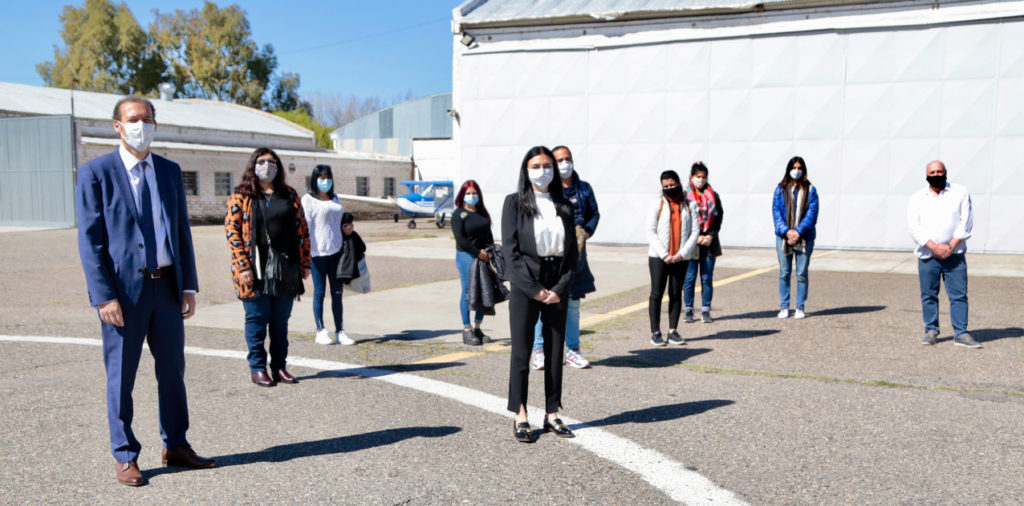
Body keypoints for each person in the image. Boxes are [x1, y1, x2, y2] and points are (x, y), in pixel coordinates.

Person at [76, 96, 215, 487]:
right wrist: (103, 296)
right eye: (134, 119)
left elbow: (181, 231)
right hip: (124, 294)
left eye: (148, 119)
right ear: (118, 127)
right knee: (122, 377)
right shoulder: (96, 173)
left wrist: (188, 285)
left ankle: (176, 445)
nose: (142, 125)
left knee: (173, 372)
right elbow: (91, 242)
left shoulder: (169, 172)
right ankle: (125, 455)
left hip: (167, 289)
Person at [503, 146, 579, 443]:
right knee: (522, 350)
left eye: (548, 165)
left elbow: (573, 254)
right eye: (536, 165)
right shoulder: (514, 203)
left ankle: (552, 412)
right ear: (526, 169)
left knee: (555, 350)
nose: (543, 170)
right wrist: (534, 289)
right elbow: (511, 253)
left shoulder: (565, 204)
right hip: (526, 283)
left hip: (557, 282)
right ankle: (520, 413)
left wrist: (559, 289)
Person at [225, 147, 311, 387]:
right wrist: (243, 265)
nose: (267, 166)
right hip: (254, 268)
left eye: (272, 162)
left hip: (286, 268)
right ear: (253, 166)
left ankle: (279, 367)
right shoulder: (242, 195)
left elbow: (302, 229)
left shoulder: (290, 194)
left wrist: (305, 262)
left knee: (281, 322)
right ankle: (258, 367)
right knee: (257, 318)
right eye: (262, 162)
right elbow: (232, 233)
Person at [530, 145, 599, 370]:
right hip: (552, 256)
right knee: (544, 302)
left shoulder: (584, 188)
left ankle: (573, 350)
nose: (564, 164)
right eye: (558, 160)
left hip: (577, 254)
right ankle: (539, 350)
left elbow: (594, 213)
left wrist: (586, 231)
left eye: (567, 159)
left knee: (572, 304)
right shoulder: (550, 191)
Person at [907, 161, 980, 348]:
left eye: (940, 171)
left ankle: (961, 333)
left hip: (954, 256)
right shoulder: (917, 197)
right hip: (928, 255)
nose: (936, 174)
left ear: (946, 172)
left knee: (959, 295)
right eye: (932, 172)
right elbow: (914, 226)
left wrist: (950, 246)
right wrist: (933, 246)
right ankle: (931, 330)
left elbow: (966, 222)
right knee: (929, 295)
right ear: (926, 175)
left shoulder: (960, 192)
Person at [302, 165, 354, 346]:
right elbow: (305, 228)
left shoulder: (335, 198)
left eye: (328, 177)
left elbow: (338, 221)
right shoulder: (308, 200)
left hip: (336, 252)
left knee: (337, 293)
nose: (325, 181)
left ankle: (340, 331)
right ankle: (320, 330)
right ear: (315, 179)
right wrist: (305, 256)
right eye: (321, 177)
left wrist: (348, 227)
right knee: (319, 292)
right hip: (318, 253)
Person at [646, 170, 700, 346]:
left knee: (676, 293)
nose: (670, 188)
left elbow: (695, 232)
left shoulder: (690, 205)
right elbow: (650, 231)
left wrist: (682, 254)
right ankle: (655, 332)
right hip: (659, 258)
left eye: (672, 185)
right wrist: (665, 254)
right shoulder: (657, 204)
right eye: (666, 186)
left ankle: (673, 331)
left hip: (680, 258)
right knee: (656, 293)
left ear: (679, 183)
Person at [772, 156, 819, 319]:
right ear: (789, 169)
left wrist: (798, 231)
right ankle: (784, 306)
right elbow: (776, 212)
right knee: (784, 272)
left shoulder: (811, 190)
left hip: (804, 237)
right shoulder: (780, 189)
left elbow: (812, 214)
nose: (797, 171)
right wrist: (787, 231)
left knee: (801, 273)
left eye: (800, 168)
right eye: (794, 168)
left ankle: (800, 306)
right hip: (784, 237)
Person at [452, 179, 495, 345]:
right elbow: (461, 239)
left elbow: (488, 235)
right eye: (468, 193)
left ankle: (478, 327)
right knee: (468, 290)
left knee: (484, 289)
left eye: (474, 193)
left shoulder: (482, 213)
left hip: (483, 255)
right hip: (467, 255)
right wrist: (477, 253)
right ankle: (467, 329)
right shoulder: (459, 214)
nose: (471, 196)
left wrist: (490, 252)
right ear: (462, 195)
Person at [682, 162, 724, 324]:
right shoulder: (685, 197)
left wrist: (710, 236)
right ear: (692, 177)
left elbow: (718, 218)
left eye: (703, 177)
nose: (701, 180)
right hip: (691, 241)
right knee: (690, 277)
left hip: (709, 242)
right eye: (698, 177)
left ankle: (706, 310)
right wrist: (695, 236)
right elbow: (683, 221)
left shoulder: (713, 195)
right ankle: (689, 309)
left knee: (706, 277)